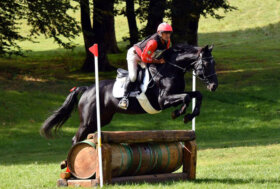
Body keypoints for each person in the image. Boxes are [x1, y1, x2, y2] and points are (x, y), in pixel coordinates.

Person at [118, 22, 173, 110]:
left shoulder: (167, 41)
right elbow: (144, 59)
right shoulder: (153, 42)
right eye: (165, 33)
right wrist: (158, 61)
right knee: (133, 76)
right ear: (160, 33)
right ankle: (124, 98)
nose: (167, 35)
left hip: (147, 56)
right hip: (134, 55)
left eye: (169, 33)